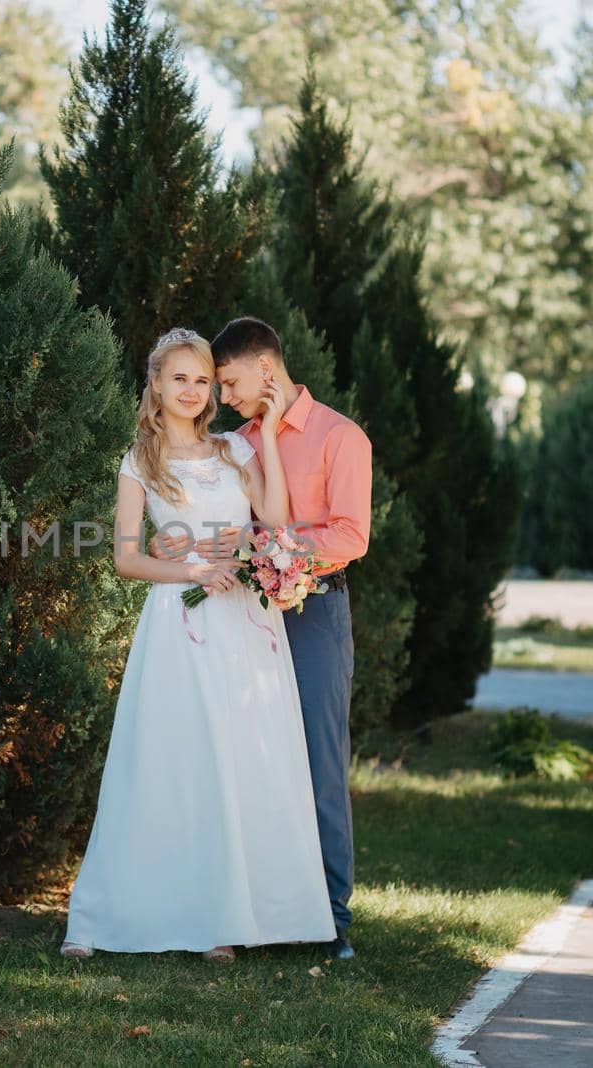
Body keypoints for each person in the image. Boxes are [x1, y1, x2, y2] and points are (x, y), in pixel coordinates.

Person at [59, 327, 336, 963]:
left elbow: (272, 518)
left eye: (203, 380)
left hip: (244, 623)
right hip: (179, 624)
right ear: (155, 384)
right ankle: (115, 913)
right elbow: (127, 559)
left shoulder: (235, 449)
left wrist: (266, 434)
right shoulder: (139, 461)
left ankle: (225, 920)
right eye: (179, 378)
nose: (192, 390)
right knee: (173, 761)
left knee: (239, 760)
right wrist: (190, 571)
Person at [156, 316, 372, 961]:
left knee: (317, 763)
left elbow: (351, 536)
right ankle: (257, 909)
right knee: (251, 761)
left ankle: (332, 920)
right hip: (242, 615)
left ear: (265, 369)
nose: (224, 395)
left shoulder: (340, 436)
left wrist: (275, 550)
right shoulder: (235, 444)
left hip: (313, 616)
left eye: (228, 381)